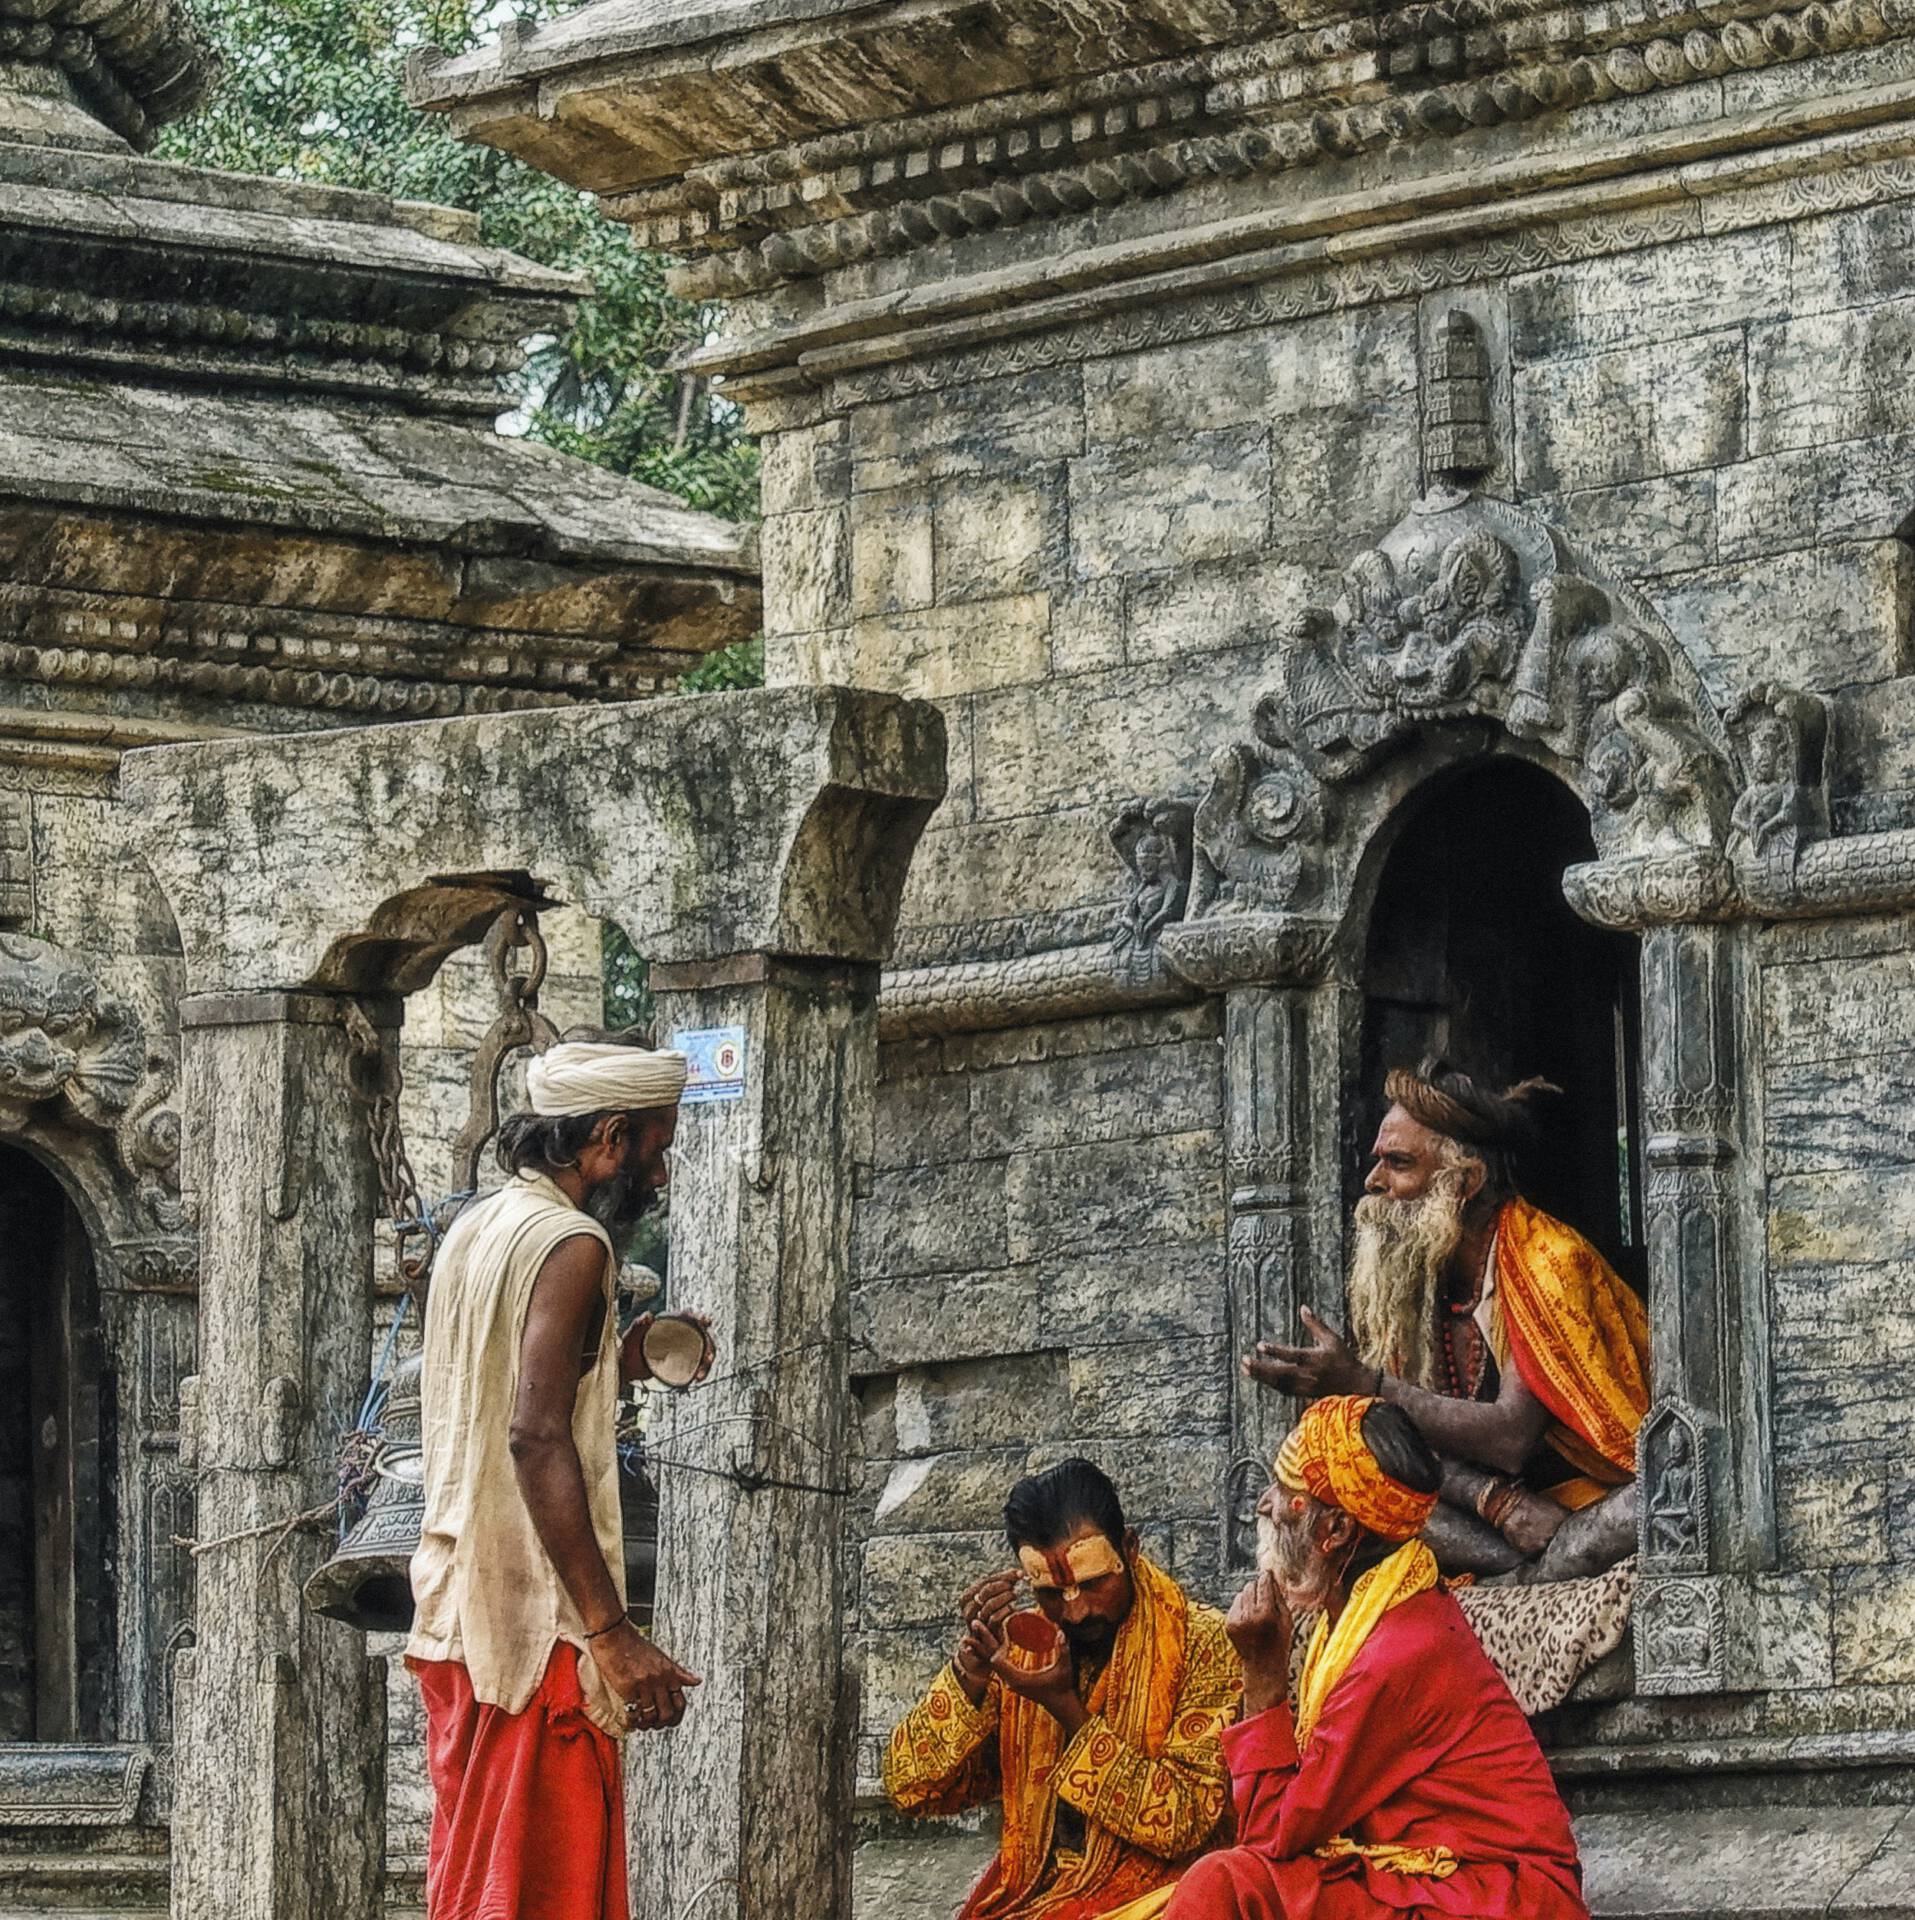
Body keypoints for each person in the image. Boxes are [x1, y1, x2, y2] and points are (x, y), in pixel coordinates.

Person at [406, 1037, 718, 1920]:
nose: (658, 1176)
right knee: (542, 1893)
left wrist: (619, 1362)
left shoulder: (479, 1224)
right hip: (532, 1628)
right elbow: (533, 1438)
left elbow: (507, 1385)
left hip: (460, 1605)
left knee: (479, 1884)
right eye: (656, 1148)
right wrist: (611, 1631)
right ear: (610, 1138)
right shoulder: (571, 1243)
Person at [1151, 1395, 1589, 1920]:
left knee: (1224, 1884)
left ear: (1335, 1532)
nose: (1265, 1504)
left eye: (1288, 1495)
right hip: (1428, 1877)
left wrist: (1263, 1678)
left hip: (1498, 1897)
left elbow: (1271, 1836)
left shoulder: (1396, 1652)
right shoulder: (1371, 1615)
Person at [1244, 1058, 1649, 1580]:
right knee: (1346, 1464)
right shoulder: (1415, 1275)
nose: (1374, 1181)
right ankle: (1524, 1574)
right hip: (1500, 1519)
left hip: (1588, 1500)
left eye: (1399, 1163)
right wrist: (1492, 1500)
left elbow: (1510, 1439)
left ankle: (1536, 1569)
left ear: (1465, 1183)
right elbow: (1406, 1446)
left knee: (1647, 1506)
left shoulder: (1548, 1260)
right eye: (1378, 1162)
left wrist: (1360, 1381)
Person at [884, 1458, 1241, 1918]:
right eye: (1051, 1593)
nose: (1076, 1613)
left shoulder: (1204, 1641)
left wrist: (1065, 1709)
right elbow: (911, 1788)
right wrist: (969, 1672)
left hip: (1169, 1897)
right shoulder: (1023, 1650)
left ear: (1129, 1549)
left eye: (1094, 1584)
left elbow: (1183, 1821)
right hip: (1038, 1895)